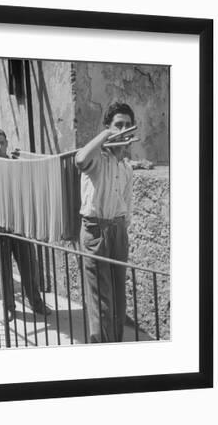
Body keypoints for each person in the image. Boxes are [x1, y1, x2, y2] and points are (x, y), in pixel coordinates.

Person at [0, 129, 50, 320]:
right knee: (5, 267)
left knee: (28, 265)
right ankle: (9, 307)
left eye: (2, 143)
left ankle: (36, 303)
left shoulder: (16, 163)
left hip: (18, 224)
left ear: (7, 143)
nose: (0, 147)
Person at [74, 101, 134, 343]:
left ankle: (116, 346)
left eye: (128, 125)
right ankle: (102, 353)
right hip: (95, 230)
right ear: (108, 128)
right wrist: (106, 135)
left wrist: (120, 230)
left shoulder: (126, 167)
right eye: (118, 125)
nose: (124, 129)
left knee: (119, 299)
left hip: (118, 231)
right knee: (102, 302)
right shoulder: (97, 158)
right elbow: (80, 160)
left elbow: (126, 205)